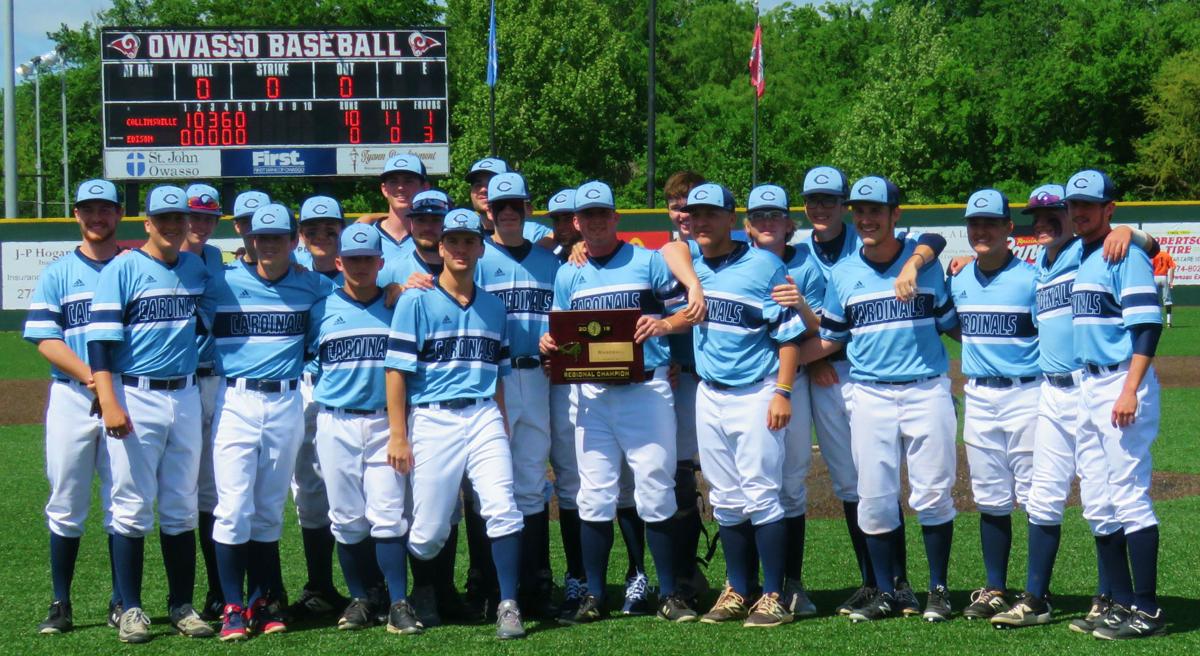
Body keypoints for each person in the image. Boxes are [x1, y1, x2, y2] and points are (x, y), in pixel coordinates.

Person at [980, 184, 1151, 631]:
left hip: (1091, 384)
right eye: (1035, 217)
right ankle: (1036, 599)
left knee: (1104, 494)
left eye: (1053, 213)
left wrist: (1130, 232)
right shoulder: (1041, 264)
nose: (1043, 223)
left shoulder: (1085, 250)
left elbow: (1143, 248)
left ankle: (1110, 597)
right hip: (1049, 391)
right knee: (1044, 495)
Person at [794, 175, 959, 623]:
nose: (866, 218)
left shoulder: (924, 263)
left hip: (926, 388)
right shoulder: (844, 273)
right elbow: (830, 338)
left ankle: (938, 589)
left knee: (933, 493)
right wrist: (780, 371)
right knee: (875, 495)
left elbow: (953, 324)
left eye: (875, 210)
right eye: (859, 211)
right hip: (868, 394)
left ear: (895, 215)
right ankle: (887, 591)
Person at [542, 180, 699, 624]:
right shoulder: (569, 272)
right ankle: (594, 594)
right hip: (591, 394)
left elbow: (686, 314)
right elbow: (561, 331)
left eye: (601, 214)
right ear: (576, 223)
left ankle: (670, 593)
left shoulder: (647, 261)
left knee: (654, 488)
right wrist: (549, 342)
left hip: (645, 389)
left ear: (615, 218)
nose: (593, 221)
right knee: (593, 495)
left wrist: (663, 325)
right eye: (585, 215)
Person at [384, 208, 527, 640]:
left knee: (502, 507)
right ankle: (394, 596)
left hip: (483, 412)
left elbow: (498, 375)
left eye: (469, 241)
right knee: (427, 532)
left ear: (480, 247)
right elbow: (396, 372)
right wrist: (398, 434)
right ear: (439, 247)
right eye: (454, 242)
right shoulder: (416, 300)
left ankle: (508, 604)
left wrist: (500, 422)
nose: (461, 249)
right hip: (433, 416)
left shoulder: (493, 305)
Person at [87, 184, 218, 643]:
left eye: (179, 218)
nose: (171, 225)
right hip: (135, 391)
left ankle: (182, 605)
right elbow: (99, 344)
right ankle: (131, 607)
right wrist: (109, 400)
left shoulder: (196, 268)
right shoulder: (122, 268)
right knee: (131, 505)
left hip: (183, 393)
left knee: (181, 506)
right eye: (162, 219)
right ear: (146, 223)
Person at [678, 183, 813, 628]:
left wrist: (783, 391)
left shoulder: (763, 264)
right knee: (726, 499)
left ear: (732, 218)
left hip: (756, 391)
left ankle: (773, 594)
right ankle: (738, 588)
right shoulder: (691, 261)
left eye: (710, 214)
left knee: (762, 493)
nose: (701, 221)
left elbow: (790, 335)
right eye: (695, 214)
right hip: (709, 393)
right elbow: (666, 254)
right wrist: (693, 279)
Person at [208, 203, 334, 641]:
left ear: (293, 238)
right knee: (232, 509)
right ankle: (231, 606)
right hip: (235, 399)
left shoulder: (313, 286)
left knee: (266, 512)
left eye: (278, 236)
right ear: (249, 238)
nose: (269, 243)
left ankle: (262, 602)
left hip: (286, 400)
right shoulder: (220, 280)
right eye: (262, 236)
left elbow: (342, 312)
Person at [307, 223, 422, 635]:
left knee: (389, 515)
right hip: (334, 419)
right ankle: (360, 597)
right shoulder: (320, 307)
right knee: (346, 517)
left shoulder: (399, 304)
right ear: (339, 262)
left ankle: (397, 601)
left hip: (384, 421)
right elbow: (304, 354)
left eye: (366, 259)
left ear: (380, 263)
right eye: (351, 259)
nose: (359, 267)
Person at [1065, 170, 1165, 640]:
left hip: (1121, 382)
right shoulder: (1083, 253)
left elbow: (1148, 326)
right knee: (1098, 502)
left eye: (1089, 204)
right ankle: (1119, 602)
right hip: (1087, 385)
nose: (1079, 212)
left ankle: (1147, 609)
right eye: (1074, 205)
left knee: (1128, 495)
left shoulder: (1125, 254)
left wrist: (1130, 388)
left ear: (1110, 208)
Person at [25, 179, 125, 634]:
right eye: (89, 210)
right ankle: (61, 602)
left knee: (122, 498)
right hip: (72, 394)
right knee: (65, 500)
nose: (96, 217)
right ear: (77, 215)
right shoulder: (59, 272)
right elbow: (47, 339)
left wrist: (108, 390)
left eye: (105, 209)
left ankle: (123, 599)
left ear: (120, 214)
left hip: (126, 393)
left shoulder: (132, 266)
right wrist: (93, 381)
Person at [947, 190, 1039, 621]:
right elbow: (953, 326)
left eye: (990, 223)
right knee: (990, 498)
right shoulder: (959, 280)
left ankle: (1037, 593)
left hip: (1027, 395)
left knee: (1035, 497)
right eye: (974, 224)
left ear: (1008, 229)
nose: (980, 231)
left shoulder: (1032, 279)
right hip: (980, 395)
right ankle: (995, 587)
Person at [477, 172, 561, 618]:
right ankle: (489, 584)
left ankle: (534, 583)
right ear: (487, 211)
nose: (507, 212)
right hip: (493, 379)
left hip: (539, 376)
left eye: (515, 205)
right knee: (490, 485)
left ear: (527, 208)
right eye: (498, 206)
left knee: (531, 482)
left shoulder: (552, 263)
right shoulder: (474, 256)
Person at [743, 183, 825, 617]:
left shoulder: (807, 267)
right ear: (748, 225)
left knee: (790, 483)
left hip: (793, 385)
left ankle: (789, 582)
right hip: (746, 387)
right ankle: (745, 582)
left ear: (790, 224)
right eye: (759, 216)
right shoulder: (732, 261)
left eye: (775, 216)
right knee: (749, 485)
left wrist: (805, 308)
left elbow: (826, 330)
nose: (768, 223)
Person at [289, 196, 354, 623]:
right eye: (312, 230)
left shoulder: (362, 273)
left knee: (357, 489)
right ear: (301, 235)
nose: (321, 237)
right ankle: (319, 586)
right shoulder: (291, 276)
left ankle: (372, 585)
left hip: (351, 388)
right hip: (305, 388)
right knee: (309, 492)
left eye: (329, 229)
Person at [180, 182, 230, 622]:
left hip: (216, 379)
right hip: (175, 384)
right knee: (177, 492)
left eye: (207, 216)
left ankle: (218, 588)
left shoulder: (216, 259)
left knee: (212, 491)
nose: (199, 223)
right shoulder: (151, 259)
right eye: (193, 214)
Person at [661, 170, 708, 607]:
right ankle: (681, 571)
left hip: (719, 377)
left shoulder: (726, 252)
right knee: (676, 475)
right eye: (677, 205)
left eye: (692, 205)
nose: (685, 213)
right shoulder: (660, 257)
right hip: (679, 378)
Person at [465, 156, 554, 247]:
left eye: (492, 184)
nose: (483, 189)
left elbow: (564, 236)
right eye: (478, 185)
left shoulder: (533, 233)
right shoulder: (464, 231)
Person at [373, 154, 430, 260]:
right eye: (393, 181)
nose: (400, 187)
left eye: (408, 181)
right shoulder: (368, 237)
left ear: (425, 187)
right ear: (384, 189)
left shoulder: (433, 238)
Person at [1151, 250, 1175, 327]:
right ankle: (1168, 322)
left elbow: (1150, 268)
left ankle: (1158, 320)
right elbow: (1172, 268)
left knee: (1155, 300)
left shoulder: (1153, 255)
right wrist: (1171, 281)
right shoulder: (1166, 255)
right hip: (1164, 277)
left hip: (1155, 277)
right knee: (1167, 300)